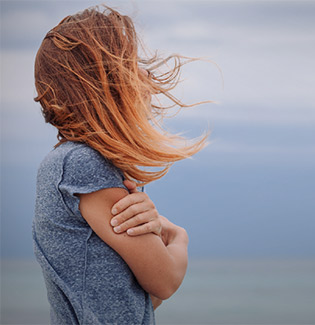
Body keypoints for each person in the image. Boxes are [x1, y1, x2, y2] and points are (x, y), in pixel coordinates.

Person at [32, 5, 207, 325]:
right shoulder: (84, 165)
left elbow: (133, 301)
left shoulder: (67, 163)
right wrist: (178, 237)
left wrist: (154, 237)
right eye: (132, 64)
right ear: (104, 81)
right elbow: (163, 282)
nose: (145, 74)